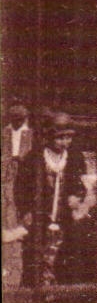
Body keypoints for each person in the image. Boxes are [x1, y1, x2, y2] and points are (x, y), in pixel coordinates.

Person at [16, 113, 97, 303]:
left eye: (68, 138)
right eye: (60, 138)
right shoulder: (34, 159)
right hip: (40, 221)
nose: (64, 143)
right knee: (40, 267)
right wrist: (26, 211)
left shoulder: (74, 157)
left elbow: (79, 184)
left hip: (65, 221)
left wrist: (76, 198)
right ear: (48, 137)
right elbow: (21, 188)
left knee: (63, 265)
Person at [3, 101, 33, 239]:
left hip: (24, 167)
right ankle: (9, 226)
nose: (18, 122)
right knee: (8, 195)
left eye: (21, 119)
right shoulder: (5, 132)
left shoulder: (29, 133)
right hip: (7, 167)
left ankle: (22, 226)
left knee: (21, 194)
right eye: (15, 119)